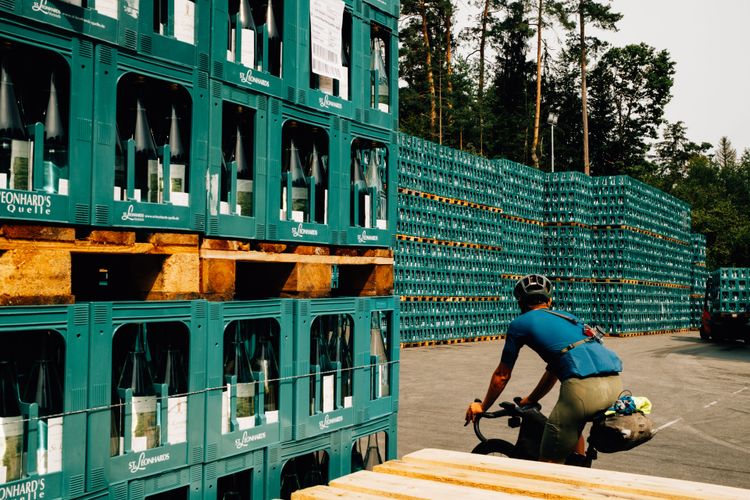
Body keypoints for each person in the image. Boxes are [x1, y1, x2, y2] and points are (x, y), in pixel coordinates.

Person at [465, 274, 623, 463]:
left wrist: (482, 407)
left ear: (520, 302)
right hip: (614, 385)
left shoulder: (519, 324)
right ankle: (579, 468)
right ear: (549, 300)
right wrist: (530, 399)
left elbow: (502, 375)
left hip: (582, 391)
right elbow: (554, 370)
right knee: (572, 432)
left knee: (546, 465)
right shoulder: (569, 317)